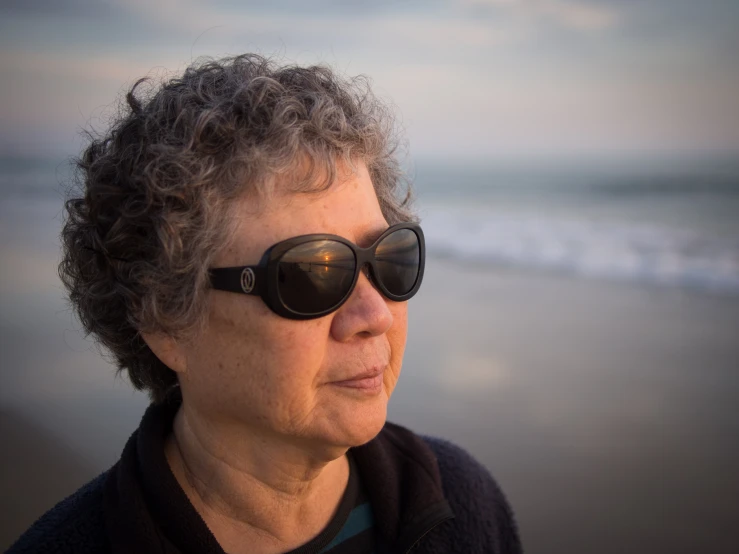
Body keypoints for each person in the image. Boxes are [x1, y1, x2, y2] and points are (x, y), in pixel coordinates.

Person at [9, 54, 521, 554]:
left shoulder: (464, 499)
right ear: (165, 318)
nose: (376, 315)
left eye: (390, 258)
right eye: (313, 273)